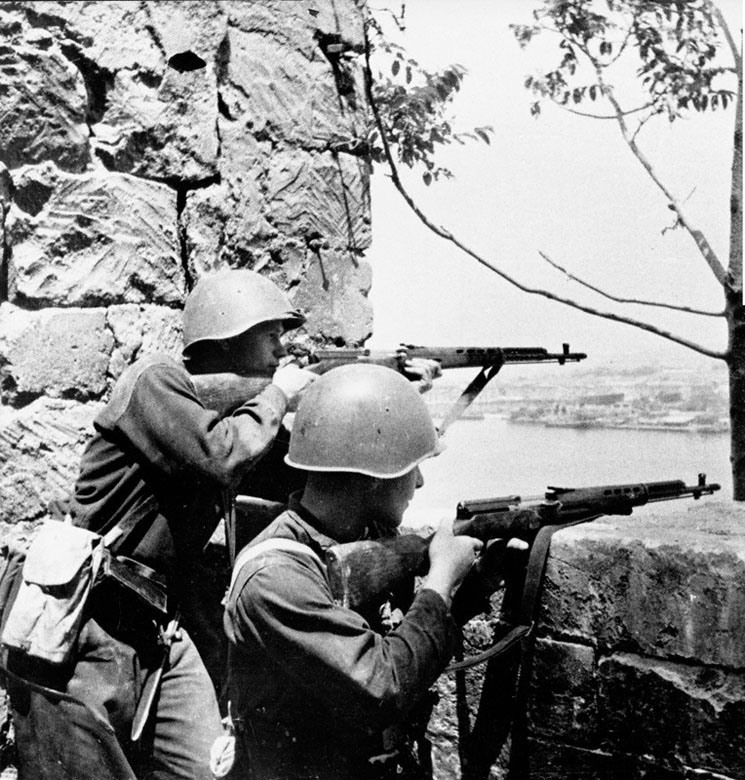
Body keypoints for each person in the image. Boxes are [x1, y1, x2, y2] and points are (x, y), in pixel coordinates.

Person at [6, 269, 319, 780]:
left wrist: (371, 407)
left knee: (208, 770)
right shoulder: (154, 379)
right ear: (229, 335)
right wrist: (278, 396)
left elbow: (295, 471)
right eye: (270, 336)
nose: (280, 351)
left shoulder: (221, 419)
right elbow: (224, 456)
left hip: (158, 628)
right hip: (89, 622)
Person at [222, 364, 488, 780]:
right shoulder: (273, 579)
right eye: (411, 468)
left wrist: (476, 582)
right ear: (373, 478)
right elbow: (382, 685)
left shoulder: (366, 538)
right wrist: (440, 581)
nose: (419, 482)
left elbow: (407, 646)